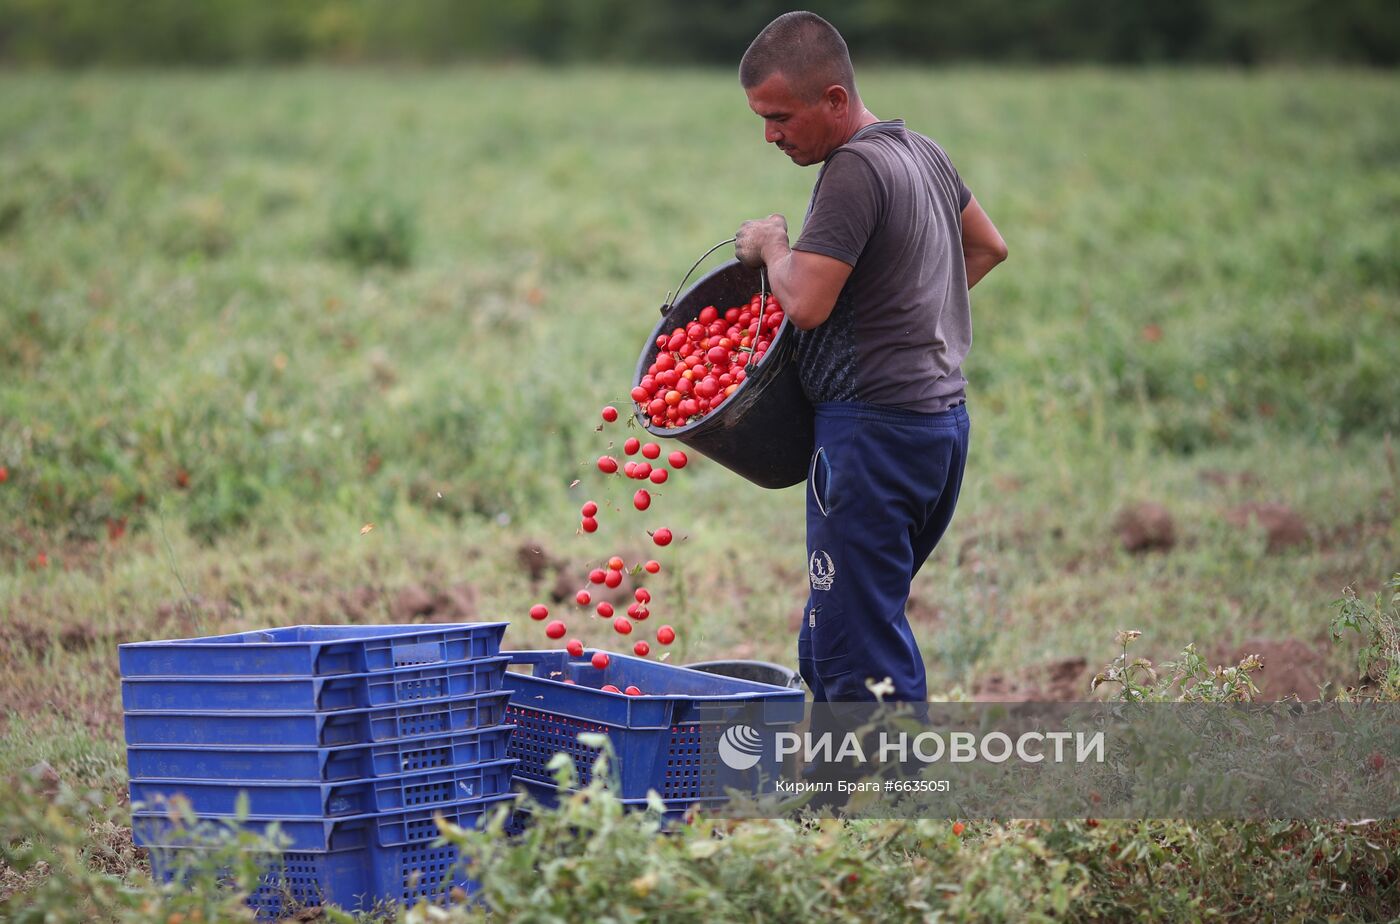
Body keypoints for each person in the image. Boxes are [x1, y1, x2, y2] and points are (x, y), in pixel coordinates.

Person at [734, 11, 1007, 704]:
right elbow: (987, 248)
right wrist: (896, 316)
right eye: (762, 119)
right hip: (936, 429)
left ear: (834, 99)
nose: (770, 135)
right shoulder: (922, 152)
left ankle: (887, 805)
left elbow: (806, 304)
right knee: (839, 623)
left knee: (860, 647)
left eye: (780, 116)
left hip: (871, 438)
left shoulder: (854, 168)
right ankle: (832, 801)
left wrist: (771, 244)